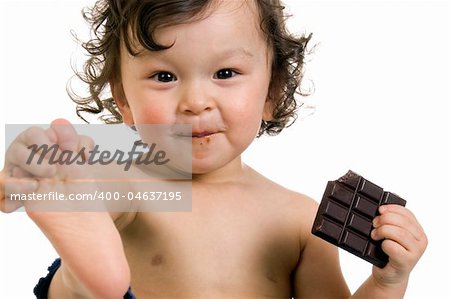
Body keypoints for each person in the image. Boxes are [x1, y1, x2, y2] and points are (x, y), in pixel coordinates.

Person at [0, 0, 428, 298]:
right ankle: (85, 269)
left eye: (225, 72)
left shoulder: (297, 221)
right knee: (89, 267)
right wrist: (45, 176)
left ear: (272, 91)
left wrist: (388, 283)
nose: (195, 101)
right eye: (164, 77)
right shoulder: (134, 185)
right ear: (124, 99)